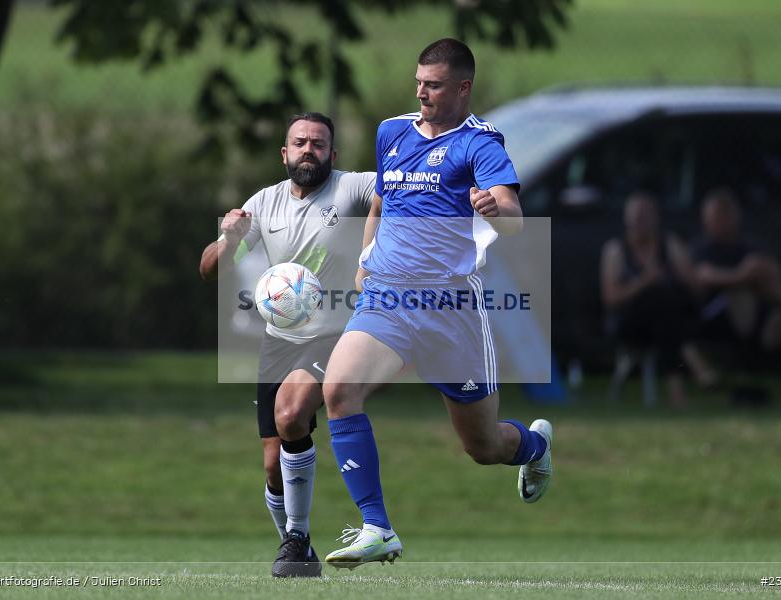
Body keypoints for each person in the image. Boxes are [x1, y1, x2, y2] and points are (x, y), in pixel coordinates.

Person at [320, 38, 553, 569]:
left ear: (463, 88)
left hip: (451, 311)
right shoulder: (392, 132)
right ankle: (377, 527)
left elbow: (514, 218)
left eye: (435, 84)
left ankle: (534, 448)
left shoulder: (480, 144)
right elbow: (381, 198)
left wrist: (496, 206)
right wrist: (363, 261)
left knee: (483, 446)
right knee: (338, 389)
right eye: (419, 82)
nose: (421, 92)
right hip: (387, 298)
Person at [199, 112, 376, 576]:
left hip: (337, 335)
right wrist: (229, 239)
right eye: (299, 143)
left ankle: (296, 538)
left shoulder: (351, 188)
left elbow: (402, 185)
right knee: (273, 464)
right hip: (279, 341)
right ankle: (298, 549)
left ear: (332, 155)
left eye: (318, 144)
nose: (308, 150)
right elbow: (208, 268)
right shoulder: (264, 202)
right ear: (284, 153)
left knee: (292, 413)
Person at [690, 187, 781, 413]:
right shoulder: (701, 249)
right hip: (723, 323)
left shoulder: (751, 246)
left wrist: (755, 271)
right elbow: (703, 276)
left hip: (762, 325)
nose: (721, 221)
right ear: (706, 219)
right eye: (715, 216)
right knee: (741, 286)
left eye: (725, 215)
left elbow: (775, 274)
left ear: (735, 217)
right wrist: (743, 275)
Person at [600, 192, 715, 408]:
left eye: (645, 216)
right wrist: (645, 281)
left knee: (663, 306)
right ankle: (693, 366)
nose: (639, 222)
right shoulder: (616, 250)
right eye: (636, 217)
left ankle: (678, 390)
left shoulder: (668, 244)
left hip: (665, 322)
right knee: (658, 299)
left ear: (656, 219)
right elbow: (611, 298)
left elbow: (695, 287)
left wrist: (683, 271)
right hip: (630, 322)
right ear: (627, 219)